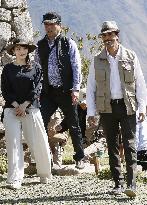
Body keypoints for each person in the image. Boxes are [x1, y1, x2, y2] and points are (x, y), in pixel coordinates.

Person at [86, 21, 146, 197]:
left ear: (117, 35)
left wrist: (142, 107)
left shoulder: (130, 56)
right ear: (102, 38)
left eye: (110, 34)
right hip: (107, 107)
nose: (108, 38)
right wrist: (91, 112)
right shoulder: (96, 60)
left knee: (130, 144)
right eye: (104, 35)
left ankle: (131, 184)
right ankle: (117, 183)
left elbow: (140, 83)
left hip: (127, 106)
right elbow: (91, 88)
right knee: (111, 145)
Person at [35, 12, 85, 169]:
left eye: (52, 24)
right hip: (48, 92)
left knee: (74, 123)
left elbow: (76, 67)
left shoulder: (68, 43)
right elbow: (37, 69)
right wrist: (38, 91)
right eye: (46, 24)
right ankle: (43, 158)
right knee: (39, 122)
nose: (49, 27)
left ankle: (79, 157)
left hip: (66, 90)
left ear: (59, 26)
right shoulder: (40, 45)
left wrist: (76, 89)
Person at [1, 38, 52, 189]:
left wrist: (24, 105)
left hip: (31, 108)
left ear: (28, 50)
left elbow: (37, 88)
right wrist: (17, 105)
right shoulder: (8, 69)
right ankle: (15, 178)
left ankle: (44, 173)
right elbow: (5, 90)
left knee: (39, 140)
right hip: (12, 109)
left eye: (24, 48)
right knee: (13, 144)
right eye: (18, 49)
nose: (21, 51)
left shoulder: (36, 67)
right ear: (13, 51)